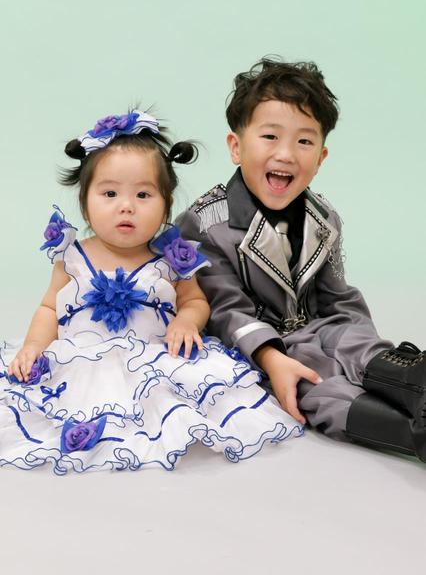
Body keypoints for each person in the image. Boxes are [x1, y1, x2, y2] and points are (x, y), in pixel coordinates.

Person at [0, 109, 303, 474]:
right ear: (85, 202)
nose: (126, 206)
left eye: (143, 194)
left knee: (172, 403)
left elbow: (195, 301)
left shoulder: (171, 258)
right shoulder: (73, 256)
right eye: (109, 193)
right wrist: (34, 346)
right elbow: (50, 308)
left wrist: (187, 322)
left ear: (165, 206)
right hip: (80, 364)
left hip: (154, 360)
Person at [177, 58, 426, 462]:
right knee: (317, 390)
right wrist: (272, 358)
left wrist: (364, 346)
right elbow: (225, 312)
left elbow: (338, 298)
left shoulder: (324, 218)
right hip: (259, 346)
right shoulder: (207, 223)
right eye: (270, 137)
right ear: (236, 147)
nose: (286, 154)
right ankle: (411, 434)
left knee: (354, 342)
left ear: (322, 157)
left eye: (304, 142)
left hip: (319, 328)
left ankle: (412, 379)